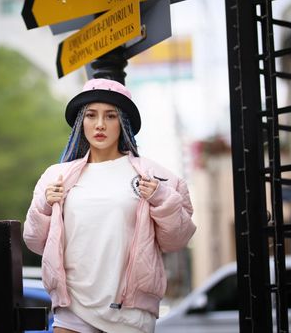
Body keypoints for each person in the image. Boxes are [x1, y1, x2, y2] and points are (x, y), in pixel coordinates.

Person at [23, 78, 196, 333]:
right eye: (91, 115)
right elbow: (33, 241)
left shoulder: (156, 176)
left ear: (123, 122)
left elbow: (176, 240)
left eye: (110, 116)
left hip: (131, 312)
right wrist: (45, 205)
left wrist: (160, 197)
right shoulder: (56, 176)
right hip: (72, 307)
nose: (100, 125)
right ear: (81, 121)